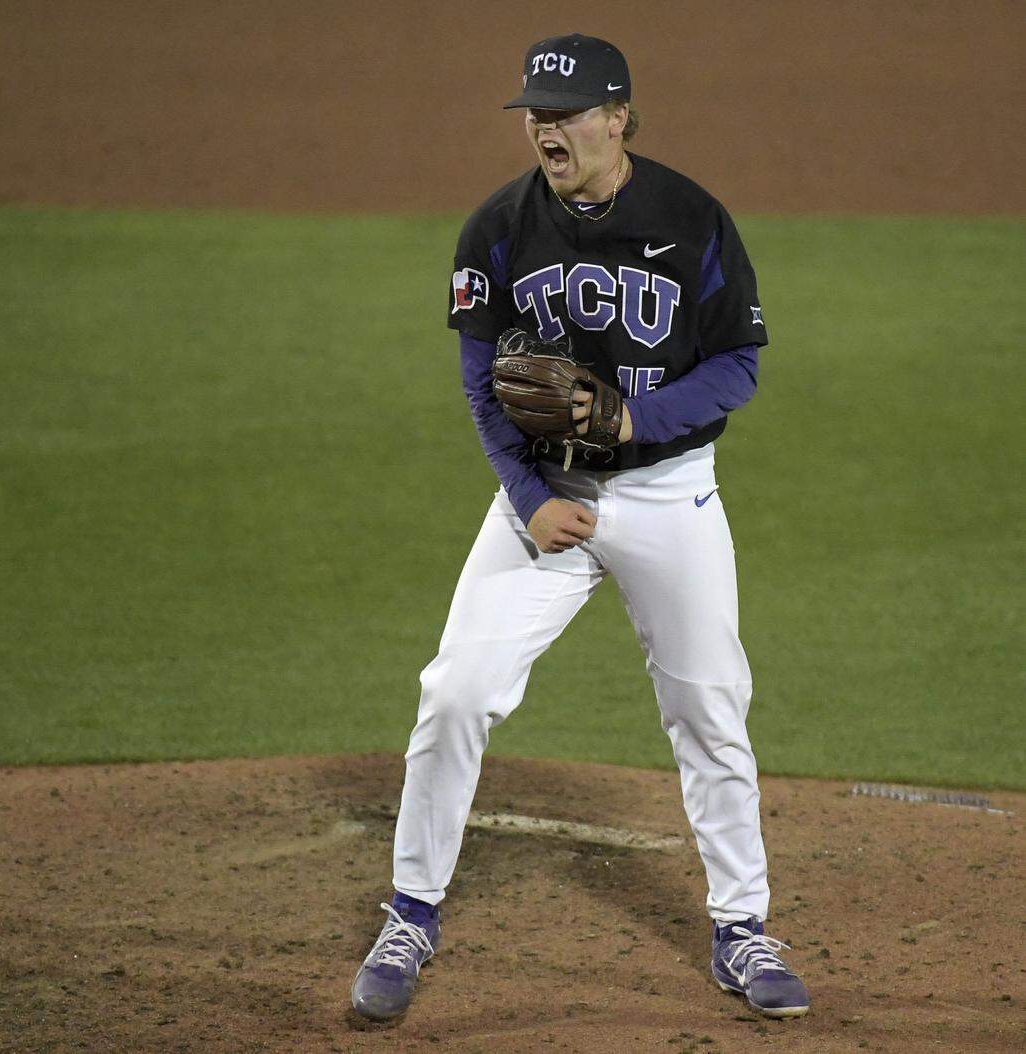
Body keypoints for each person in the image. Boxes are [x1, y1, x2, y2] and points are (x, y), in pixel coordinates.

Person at [351, 32, 810, 1022]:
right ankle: (411, 911)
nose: (545, 131)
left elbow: (737, 367)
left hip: (667, 494)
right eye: (534, 114)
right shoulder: (498, 230)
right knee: (456, 690)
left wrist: (635, 418)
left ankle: (744, 929)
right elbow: (483, 387)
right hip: (546, 493)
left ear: (618, 118)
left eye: (563, 115)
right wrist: (528, 500)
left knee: (709, 703)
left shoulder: (693, 220)